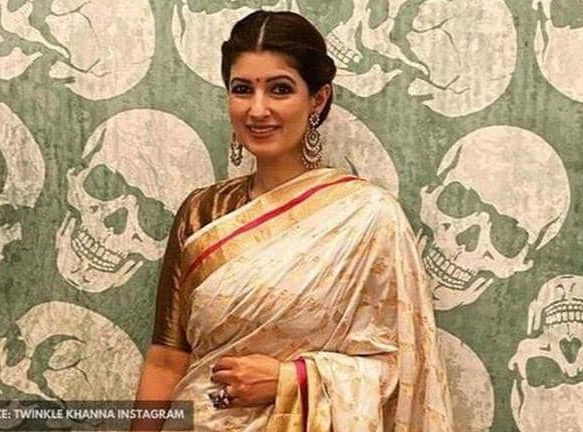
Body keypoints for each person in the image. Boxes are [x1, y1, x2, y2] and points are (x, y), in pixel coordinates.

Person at [131, 10, 453, 432]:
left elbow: (404, 366)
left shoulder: (368, 216)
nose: (257, 109)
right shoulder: (201, 213)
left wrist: (292, 379)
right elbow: (167, 359)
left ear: (317, 99)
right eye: (242, 89)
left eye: (280, 89)